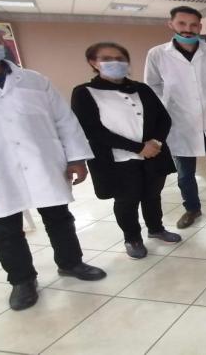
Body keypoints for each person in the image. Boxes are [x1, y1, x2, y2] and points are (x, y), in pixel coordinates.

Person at [0, 20, 106, 311]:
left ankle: (71, 263)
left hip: (43, 162)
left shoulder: (34, 80)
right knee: (6, 228)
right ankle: (22, 280)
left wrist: (76, 158)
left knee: (60, 218)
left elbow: (65, 120)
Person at [72, 42, 181, 259]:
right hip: (116, 160)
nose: (115, 63)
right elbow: (92, 130)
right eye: (107, 59)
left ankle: (156, 228)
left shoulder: (142, 89)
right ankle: (132, 238)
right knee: (127, 200)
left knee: (152, 195)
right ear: (93, 63)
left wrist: (155, 143)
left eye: (120, 58)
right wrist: (139, 148)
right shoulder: (84, 92)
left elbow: (164, 119)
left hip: (153, 154)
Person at [144, 6, 206, 229]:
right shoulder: (157, 54)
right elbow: (151, 85)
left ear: (200, 26)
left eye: (193, 24)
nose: (188, 28)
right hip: (179, 122)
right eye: (182, 23)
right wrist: (166, 107)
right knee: (185, 174)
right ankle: (192, 209)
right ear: (171, 24)